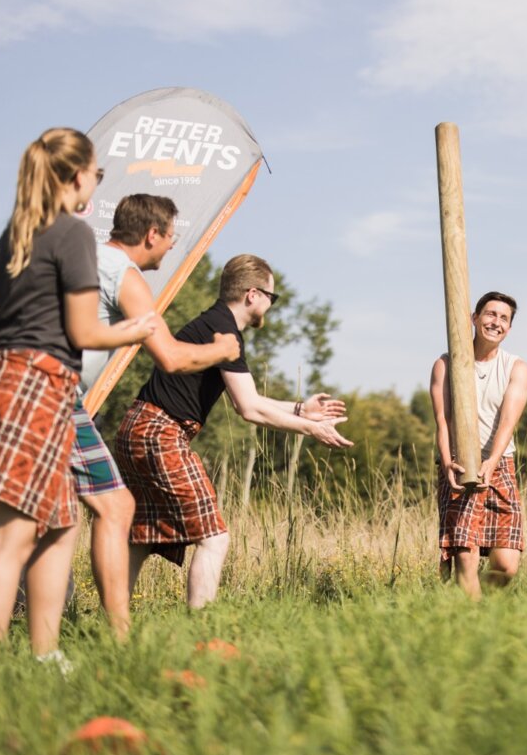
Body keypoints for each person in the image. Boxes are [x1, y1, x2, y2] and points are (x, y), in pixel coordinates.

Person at [0, 128, 155, 665]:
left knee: (61, 524)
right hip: (36, 382)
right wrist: (137, 328)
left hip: (21, 382)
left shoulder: (14, 235)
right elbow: (83, 331)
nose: (95, 185)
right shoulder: (73, 234)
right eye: (97, 175)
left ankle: (44, 656)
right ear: (77, 175)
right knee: (14, 535)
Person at [117, 254, 353, 608]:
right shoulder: (223, 331)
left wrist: (303, 409)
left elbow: (251, 397)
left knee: (142, 536)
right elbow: (250, 410)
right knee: (214, 537)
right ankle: (203, 632)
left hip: (137, 428)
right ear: (253, 295)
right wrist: (312, 428)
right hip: (160, 433)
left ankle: (113, 628)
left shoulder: (216, 323)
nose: (271, 307)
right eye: (272, 298)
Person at [70, 193, 240, 638]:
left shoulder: (82, 257)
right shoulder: (123, 274)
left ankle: (80, 638)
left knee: (60, 520)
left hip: (32, 387)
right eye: (170, 237)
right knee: (125, 510)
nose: (170, 247)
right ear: (152, 234)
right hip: (58, 395)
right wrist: (221, 350)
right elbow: (171, 358)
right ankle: (130, 635)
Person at [429, 291, 527, 600]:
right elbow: (443, 420)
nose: (495, 322)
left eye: (503, 318)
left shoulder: (517, 367)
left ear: (509, 328)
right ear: (474, 318)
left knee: (506, 564)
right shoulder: (446, 364)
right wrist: (448, 461)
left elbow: (508, 423)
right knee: (465, 553)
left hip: (500, 464)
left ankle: (473, 602)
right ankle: (470, 622)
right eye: (489, 314)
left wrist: (492, 460)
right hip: (460, 462)